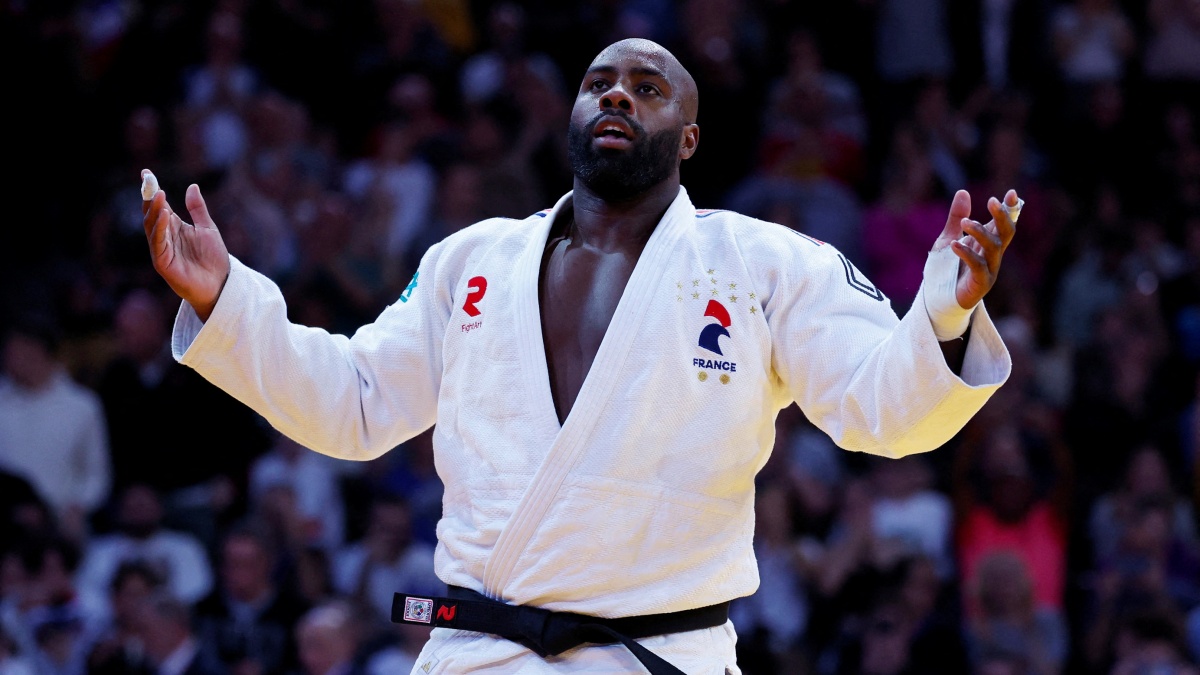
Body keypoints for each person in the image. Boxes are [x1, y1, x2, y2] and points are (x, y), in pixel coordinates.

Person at [141, 38, 1015, 674]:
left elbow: (879, 410)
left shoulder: (762, 264)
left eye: (646, 87)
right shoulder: (474, 259)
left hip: (655, 654)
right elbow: (356, 401)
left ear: (690, 137)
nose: (618, 98)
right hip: (481, 655)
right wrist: (224, 300)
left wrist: (943, 311)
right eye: (599, 83)